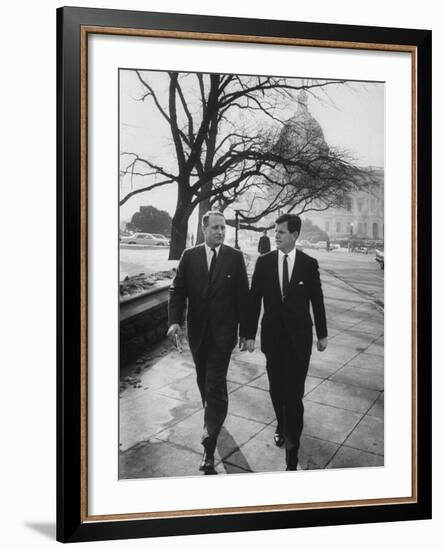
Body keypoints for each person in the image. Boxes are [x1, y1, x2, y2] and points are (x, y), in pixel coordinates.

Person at [244, 213, 328, 471]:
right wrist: (248, 334)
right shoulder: (264, 262)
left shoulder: (308, 263)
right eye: (275, 231)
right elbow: (253, 299)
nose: (276, 235)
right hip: (272, 339)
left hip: (299, 340)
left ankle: (293, 448)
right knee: (276, 389)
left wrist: (322, 334)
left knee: (294, 393)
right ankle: (281, 423)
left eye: (281, 232)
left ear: (294, 235)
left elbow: (317, 300)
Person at [168, 211, 249, 474]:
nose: (221, 232)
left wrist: (247, 332)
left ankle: (208, 446)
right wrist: (175, 321)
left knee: (215, 385)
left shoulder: (235, 258)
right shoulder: (189, 256)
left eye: (223, 228)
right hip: (198, 334)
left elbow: (242, 296)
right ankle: (213, 415)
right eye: (215, 227)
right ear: (204, 229)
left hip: (223, 335)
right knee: (204, 382)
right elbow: (177, 290)